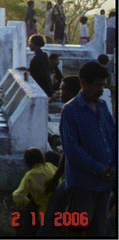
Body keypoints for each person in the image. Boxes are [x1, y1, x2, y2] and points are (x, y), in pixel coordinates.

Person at [58, 61, 116, 236]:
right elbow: (72, 149)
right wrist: (99, 168)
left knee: (100, 227)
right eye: (97, 85)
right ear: (83, 83)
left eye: (102, 85)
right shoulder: (70, 111)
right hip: (83, 181)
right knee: (78, 229)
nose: (100, 89)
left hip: (105, 181)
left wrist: (113, 168)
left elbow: (113, 138)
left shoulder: (103, 107)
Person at [36, 75, 81, 237]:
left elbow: (68, 150)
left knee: (59, 206)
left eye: (62, 90)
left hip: (79, 173)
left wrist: (55, 177)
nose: (59, 92)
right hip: (77, 171)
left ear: (71, 93)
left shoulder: (70, 110)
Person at [12, 147, 57, 236]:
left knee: (22, 213)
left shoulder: (30, 175)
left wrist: (27, 202)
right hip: (60, 212)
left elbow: (18, 196)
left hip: (42, 215)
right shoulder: (51, 167)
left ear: (27, 163)